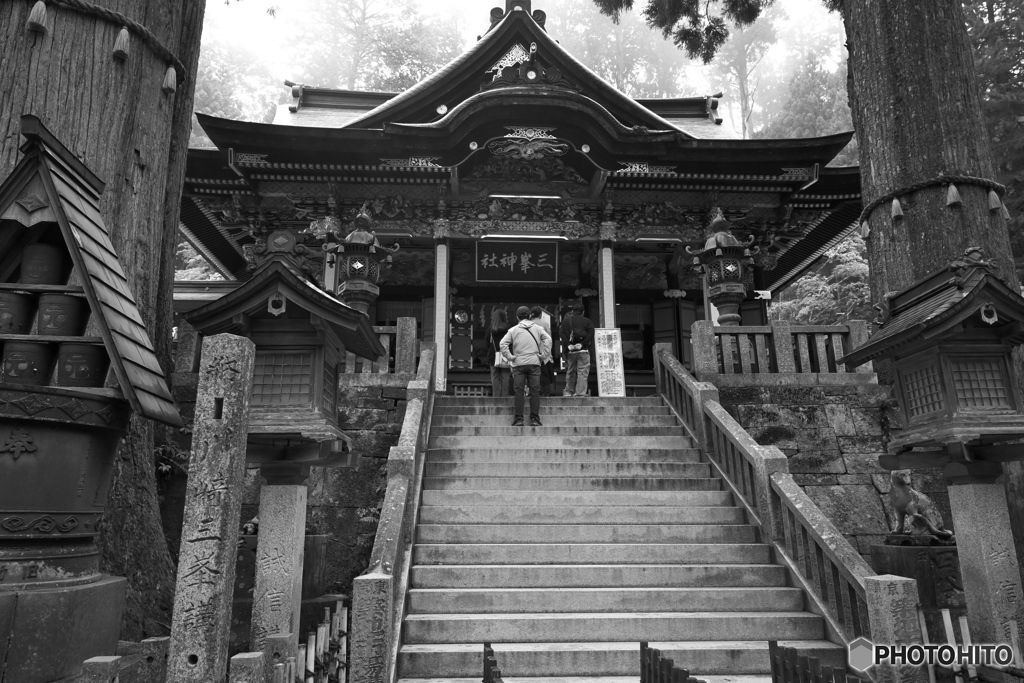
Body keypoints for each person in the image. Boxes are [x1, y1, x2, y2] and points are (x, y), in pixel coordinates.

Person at [500, 305, 552, 427]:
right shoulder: (538, 328)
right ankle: (535, 419)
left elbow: (503, 344)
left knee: (519, 391)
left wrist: (510, 357)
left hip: (519, 363)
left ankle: (519, 419)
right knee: (535, 391)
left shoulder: (513, 330)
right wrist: (543, 355)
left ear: (517, 317)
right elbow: (548, 340)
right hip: (534, 363)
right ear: (529, 316)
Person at [560, 301, 593, 397]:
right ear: (583, 312)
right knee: (582, 372)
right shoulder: (587, 321)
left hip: (571, 351)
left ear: (572, 311)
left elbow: (561, 333)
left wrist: (567, 344)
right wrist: (582, 344)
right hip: (583, 351)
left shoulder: (566, 321)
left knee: (570, 371)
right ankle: (579, 393)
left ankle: (568, 391)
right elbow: (591, 334)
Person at [530, 306, 555, 396]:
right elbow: (549, 339)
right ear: (540, 315)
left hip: (531, 353)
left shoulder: (528, 324)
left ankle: (534, 393)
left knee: (532, 375)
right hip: (544, 353)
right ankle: (546, 393)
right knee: (545, 374)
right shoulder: (544, 324)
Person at [489, 308, 511, 397]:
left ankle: (496, 397)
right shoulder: (509, 328)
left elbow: (487, 343)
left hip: (493, 356)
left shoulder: (490, 329)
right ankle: (504, 397)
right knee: (505, 377)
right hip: (505, 355)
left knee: (495, 377)